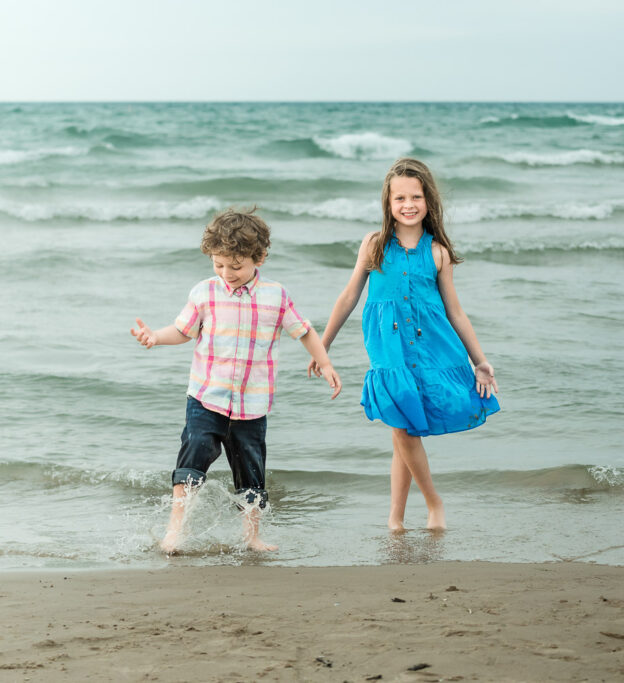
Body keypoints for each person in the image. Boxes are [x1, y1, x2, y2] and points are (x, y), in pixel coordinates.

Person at [132, 207, 341, 554]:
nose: (227, 273)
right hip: (206, 398)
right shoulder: (204, 292)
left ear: (258, 257)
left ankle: (252, 537)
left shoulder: (276, 296)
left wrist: (325, 362)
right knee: (191, 461)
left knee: (251, 474)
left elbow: (303, 331)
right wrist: (155, 336)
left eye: (236, 265)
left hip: (252, 406)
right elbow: (183, 331)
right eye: (218, 264)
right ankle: (175, 531)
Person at [308, 158, 500, 532]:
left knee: (404, 429)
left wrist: (480, 360)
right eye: (400, 198)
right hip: (388, 351)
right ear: (388, 203)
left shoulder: (438, 252)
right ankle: (431, 505)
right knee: (402, 426)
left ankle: (400, 516)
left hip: (432, 350)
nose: (408, 204)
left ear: (429, 200)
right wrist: (322, 346)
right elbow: (348, 297)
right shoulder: (374, 244)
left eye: (416, 196)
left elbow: (455, 312)